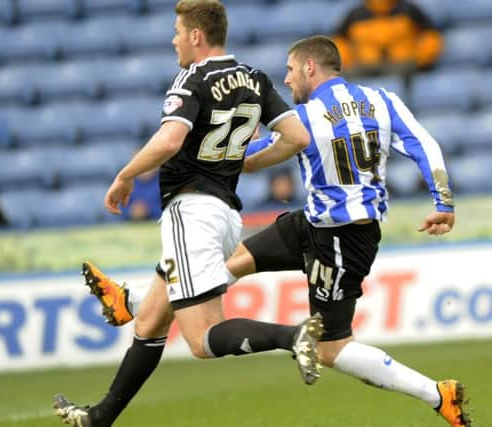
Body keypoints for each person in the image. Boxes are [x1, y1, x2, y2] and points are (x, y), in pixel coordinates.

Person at [80, 35, 472, 426]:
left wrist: (223, 145)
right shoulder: (382, 100)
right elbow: (424, 144)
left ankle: (437, 394)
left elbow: (250, 159)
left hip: (342, 239)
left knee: (332, 348)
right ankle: (131, 304)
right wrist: (443, 202)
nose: (286, 80)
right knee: (223, 263)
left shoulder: (306, 116)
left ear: (309, 67)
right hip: (312, 221)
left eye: (289, 70)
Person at [54, 1, 323, 426]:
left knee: (201, 339)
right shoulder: (255, 78)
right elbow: (296, 136)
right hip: (225, 216)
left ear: (196, 36)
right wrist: (250, 162)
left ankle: (292, 335)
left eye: (178, 31)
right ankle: (100, 417)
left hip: (191, 210)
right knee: (149, 322)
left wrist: (125, 176)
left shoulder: (193, 77)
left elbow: (169, 140)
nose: (174, 39)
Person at [332, 0, 443, 77]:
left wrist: (420, 58)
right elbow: (339, 41)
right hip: (366, 67)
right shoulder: (354, 15)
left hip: (402, 66)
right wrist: (348, 61)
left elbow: (431, 35)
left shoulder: (410, 10)